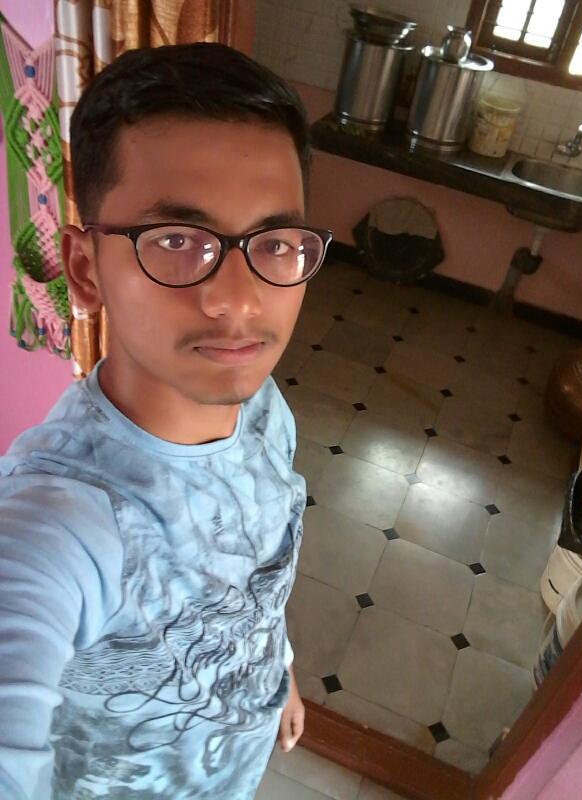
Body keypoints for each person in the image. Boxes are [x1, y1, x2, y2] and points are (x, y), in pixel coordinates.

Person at [0, 42, 333, 800]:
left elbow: (256, 578)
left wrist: (276, 672)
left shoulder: (264, 409)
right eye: (178, 242)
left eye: (275, 243)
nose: (239, 299)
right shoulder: (59, 522)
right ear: (85, 269)